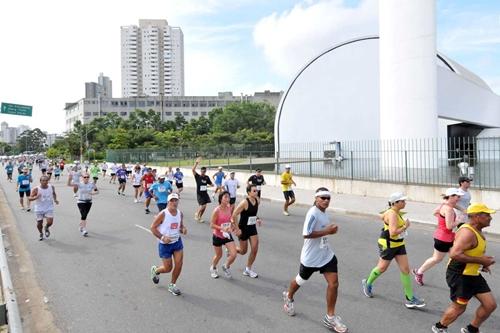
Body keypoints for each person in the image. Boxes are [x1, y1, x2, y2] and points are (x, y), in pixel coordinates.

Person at [282, 188, 348, 333]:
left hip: (325, 255)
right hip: (310, 258)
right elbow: (306, 234)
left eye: (328, 198)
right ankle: (289, 296)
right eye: (322, 198)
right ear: (316, 198)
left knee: (334, 283)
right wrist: (328, 231)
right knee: (300, 280)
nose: (325, 200)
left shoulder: (323, 212)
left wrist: (330, 230)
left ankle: (330, 317)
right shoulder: (312, 213)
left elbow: (323, 231)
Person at [431, 203, 497, 333]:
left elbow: (471, 251)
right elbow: (455, 254)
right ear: (477, 217)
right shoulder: (467, 232)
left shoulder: (477, 230)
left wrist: (482, 264)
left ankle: (471, 329)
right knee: (459, 307)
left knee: (490, 305)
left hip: (472, 274)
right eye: (487, 215)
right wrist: (481, 260)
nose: (490, 217)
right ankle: (440, 327)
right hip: (460, 275)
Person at [361, 192, 425, 309]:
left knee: (405, 270)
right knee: (382, 268)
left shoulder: (394, 212)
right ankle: (368, 283)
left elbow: (382, 216)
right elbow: (393, 232)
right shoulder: (392, 214)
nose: (405, 203)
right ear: (395, 203)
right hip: (389, 245)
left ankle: (410, 298)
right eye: (403, 201)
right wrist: (405, 226)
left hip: (399, 244)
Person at [413, 188, 463, 286]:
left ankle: (464, 279)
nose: (459, 198)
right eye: (457, 196)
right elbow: (449, 226)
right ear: (451, 196)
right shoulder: (449, 210)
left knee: (459, 256)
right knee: (437, 259)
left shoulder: (444, 204)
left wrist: (463, 210)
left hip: (443, 236)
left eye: (459, 196)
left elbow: (435, 212)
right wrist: (458, 221)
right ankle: (419, 272)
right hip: (444, 239)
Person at [150, 193, 187, 296]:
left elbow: (181, 226)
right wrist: (162, 237)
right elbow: (152, 227)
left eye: (176, 200)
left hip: (177, 242)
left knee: (179, 264)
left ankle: (172, 285)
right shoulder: (163, 214)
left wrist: (183, 229)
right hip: (165, 245)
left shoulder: (180, 213)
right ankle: (156, 270)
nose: (174, 202)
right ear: (168, 202)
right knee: (168, 268)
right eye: (172, 200)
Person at [231, 184, 262, 278]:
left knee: (255, 248)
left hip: (252, 228)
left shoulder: (257, 200)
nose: (256, 192)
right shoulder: (244, 202)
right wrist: (237, 229)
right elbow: (234, 215)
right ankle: (232, 249)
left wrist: (257, 219)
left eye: (257, 191)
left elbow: (252, 214)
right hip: (243, 229)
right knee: (243, 251)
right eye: (254, 191)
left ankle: (248, 269)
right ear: (248, 192)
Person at [209, 191, 238, 279]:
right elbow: (211, 225)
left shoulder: (229, 208)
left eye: (228, 197)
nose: (227, 199)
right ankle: (213, 268)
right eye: (225, 197)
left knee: (234, 254)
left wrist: (232, 225)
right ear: (221, 199)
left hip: (227, 235)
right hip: (218, 235)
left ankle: (226, 266)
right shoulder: (216, 210)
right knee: (219, 255)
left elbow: (230, 219)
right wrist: (222, 228)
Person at [67, 172, 99, 237]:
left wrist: (93, 193)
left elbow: (97, 191)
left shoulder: (92, 184)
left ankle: (81, 225)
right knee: (84, 215)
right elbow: (69, 184)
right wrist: (69, 179)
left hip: (89, 202)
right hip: (81, 201)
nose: (86, 178)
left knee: (84, 216)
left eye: (87, 177)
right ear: (82, 178)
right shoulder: (79, 184)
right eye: (85, 177)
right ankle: (84, 229)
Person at [28, 175, 59, 241]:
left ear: (48, 181)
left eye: (46, 181)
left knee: (50, 222)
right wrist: (36, 197)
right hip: (39, 208)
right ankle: (41, 233)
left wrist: (55, 200)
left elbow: (54, 193)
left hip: (49, 207)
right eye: (43, 181)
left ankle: (46, 227)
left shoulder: (51, 187)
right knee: (39, 223)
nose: (45, 182)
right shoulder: (36, 189)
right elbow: (29, 198)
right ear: (40, 181)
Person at [192, 157, 213, 223]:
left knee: (205, 206)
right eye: (202, 171)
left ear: (205, 171)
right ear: (200, 171)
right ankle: (196, 214)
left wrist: (210, 185)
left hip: (205, 193)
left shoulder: (207, 177)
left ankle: (200, 217)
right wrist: (196, 163)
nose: (203, 172)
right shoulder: (198, 176)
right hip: (199, 193)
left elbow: (211, 184)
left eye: (204, 171)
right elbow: (193, 170)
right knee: (203, 205)